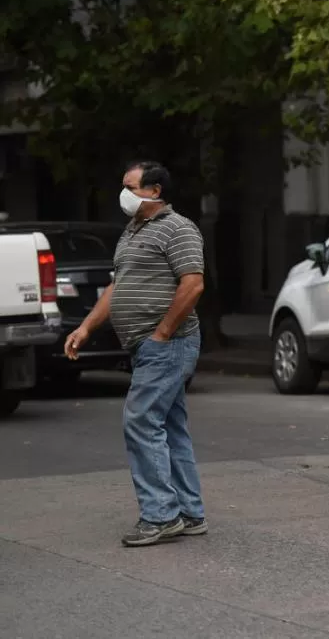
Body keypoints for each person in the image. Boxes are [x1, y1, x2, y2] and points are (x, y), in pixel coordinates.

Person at [64, 161, 207, 547]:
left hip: (167, 344)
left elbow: (192, 284)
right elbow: (117, 287)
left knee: (141, 421)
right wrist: (86, 327)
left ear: (154, 191)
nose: (123, 193)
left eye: (129, 186)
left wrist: (162, 333)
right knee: (168, 426)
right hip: (149, 346)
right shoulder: (132, 231)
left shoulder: (178, 228)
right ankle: (190, 512)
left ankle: (160, 515)